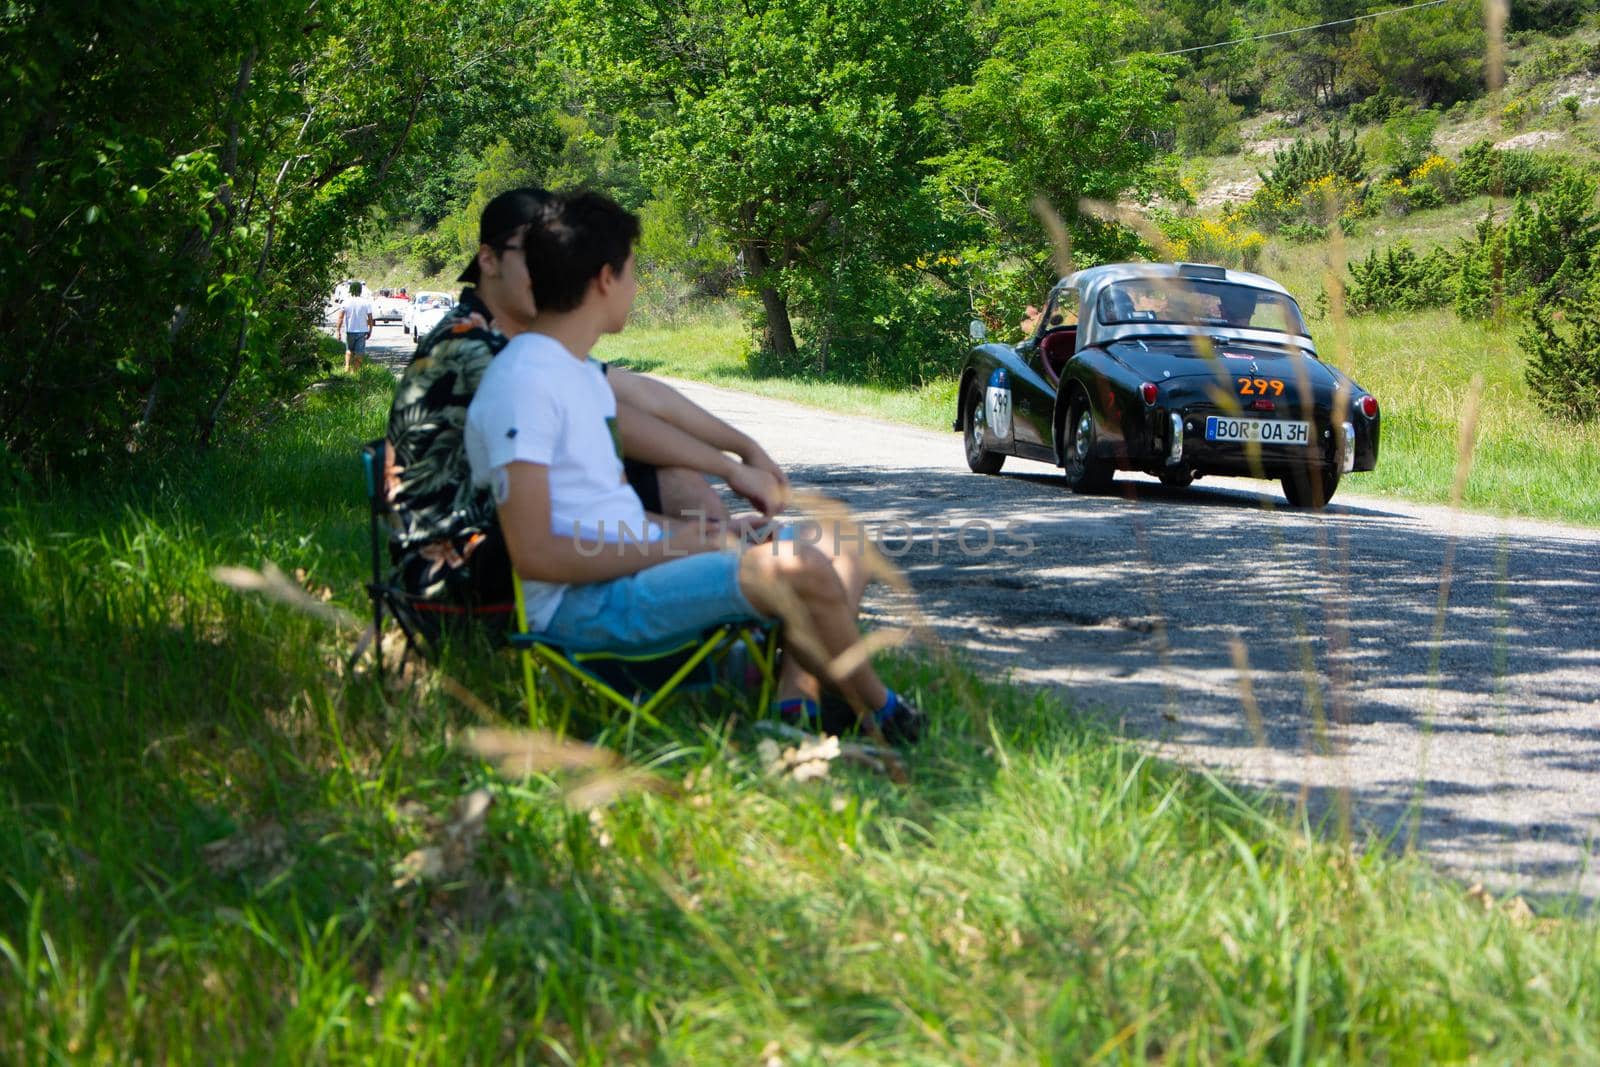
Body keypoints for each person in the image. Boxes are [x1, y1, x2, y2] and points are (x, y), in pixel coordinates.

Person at [464, 190, 923, 742]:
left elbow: (606, 517)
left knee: (837, 536)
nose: (636, 289)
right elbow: (538, 554)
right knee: (798, 566)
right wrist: (695, 545)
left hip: (631, 575)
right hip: (582, 608)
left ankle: (796, 709)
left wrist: (708, 531)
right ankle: (883, 713)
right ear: (605, 278)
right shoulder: (525, 384)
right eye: (633, 273)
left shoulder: (575, 375)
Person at [384, 187, 787, 612]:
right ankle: (716, 632)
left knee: (686, 497)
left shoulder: (522, 341)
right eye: (533, 253)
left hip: (507, 527)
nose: (549, 267)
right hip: (455, 556)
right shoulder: (472, 346)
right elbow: (617, 423)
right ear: (489, 261)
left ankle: (727, 632)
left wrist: (744, 449)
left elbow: (643, 394)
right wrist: (727, 466)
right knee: (681, 491)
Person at [336, 281, 374, 373]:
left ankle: (347, 367)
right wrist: (370, 330)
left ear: (350, 290)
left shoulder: (346, 302)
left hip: (350, 330)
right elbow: (370, 319)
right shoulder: (366, 303)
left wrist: (338, 331)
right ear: (360, 290)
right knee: (359, 352)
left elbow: (340, 317)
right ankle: (355, 372)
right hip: (362, 331)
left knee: (349, 350)